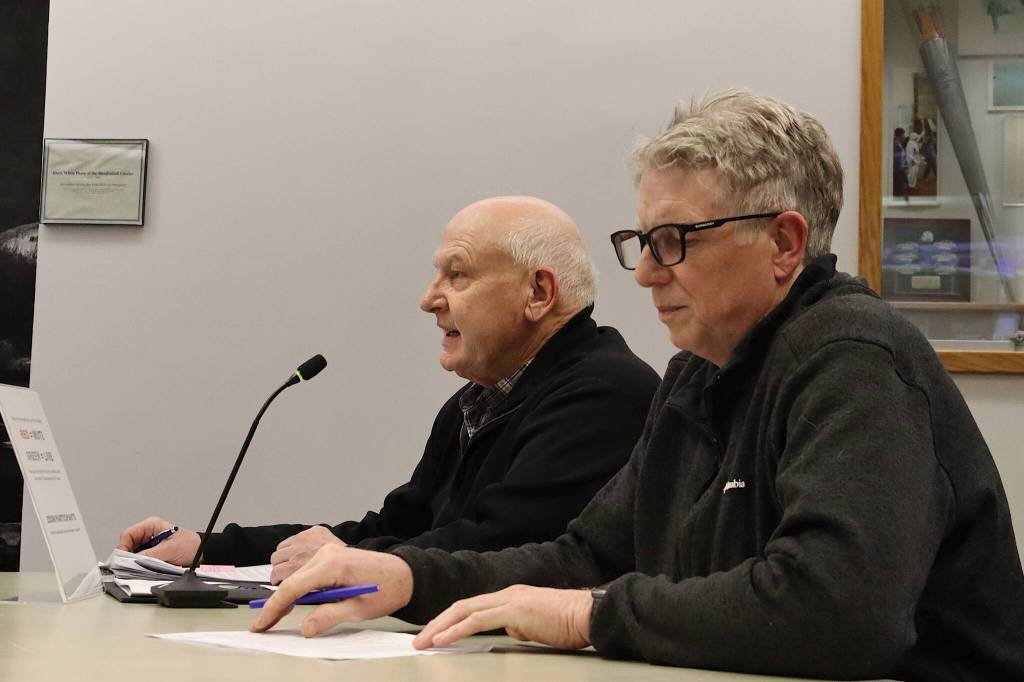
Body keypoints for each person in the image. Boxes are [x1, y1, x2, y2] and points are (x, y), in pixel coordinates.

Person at [252, 91, 1024, 681]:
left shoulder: (855, 358)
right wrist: (407, 574)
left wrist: (589, 618)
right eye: (643, 242)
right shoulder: (696, 374)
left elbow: (838, 611)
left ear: (783, 242)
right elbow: (586, 557)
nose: (648, 272)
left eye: (674, 242)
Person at [118, 196, 659, 583]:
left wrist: (348, 560)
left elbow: (504, 546)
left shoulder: (603, 393)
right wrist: (206, 549)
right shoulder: (473, 403)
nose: (429, 299)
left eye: (458, 275)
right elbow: (398, 527)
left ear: (538, 293)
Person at [892, 127, 909, 199]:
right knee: (901, 194)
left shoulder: (896, 143)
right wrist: (904, 174)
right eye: (904, 135)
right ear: (900, 135)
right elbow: (898, 163)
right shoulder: (897, 145)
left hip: (897, 173)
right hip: (898, 174)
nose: (904, 137)